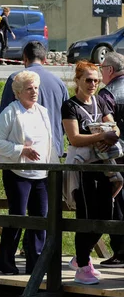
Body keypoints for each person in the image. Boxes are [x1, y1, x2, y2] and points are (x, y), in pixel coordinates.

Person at [62, 60, 119, 285]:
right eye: (88, 80)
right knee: (86, 215)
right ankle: (84, 264)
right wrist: (100, 137)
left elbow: (114, 127)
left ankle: (80, 256)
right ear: (78, 80)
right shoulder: (70, 106)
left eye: (96, 80)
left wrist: (109, 135)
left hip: (103, 165)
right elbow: (74, 138)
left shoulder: (101, 101)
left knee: (106, 215)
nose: (93, 84)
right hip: (82, 168)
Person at [0, 71, 53, 275]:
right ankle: (5, 260)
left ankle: (36, 263)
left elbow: (49, 142)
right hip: (18, 172)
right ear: (18, 92)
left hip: (41, 173)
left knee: (40, 219)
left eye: (36, 88)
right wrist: (21, 150)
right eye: (29, 88)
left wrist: (52, 167)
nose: (34, 92)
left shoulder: (43, 111)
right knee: (17, 217)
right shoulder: (10, 112)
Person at [0, 41, 69, 159]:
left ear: (25, 59)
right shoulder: (59, 83)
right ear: (44, 59)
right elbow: (67, 119)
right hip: (51, 151)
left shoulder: (15, 80)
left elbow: (3, 118)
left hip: (22, 153)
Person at [97, 52, 124, 267]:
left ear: (110, 71)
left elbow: (106, 129)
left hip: (119, 157)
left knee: (119, 203)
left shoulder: (107, 94)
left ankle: (121, 251)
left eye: (102, 68)